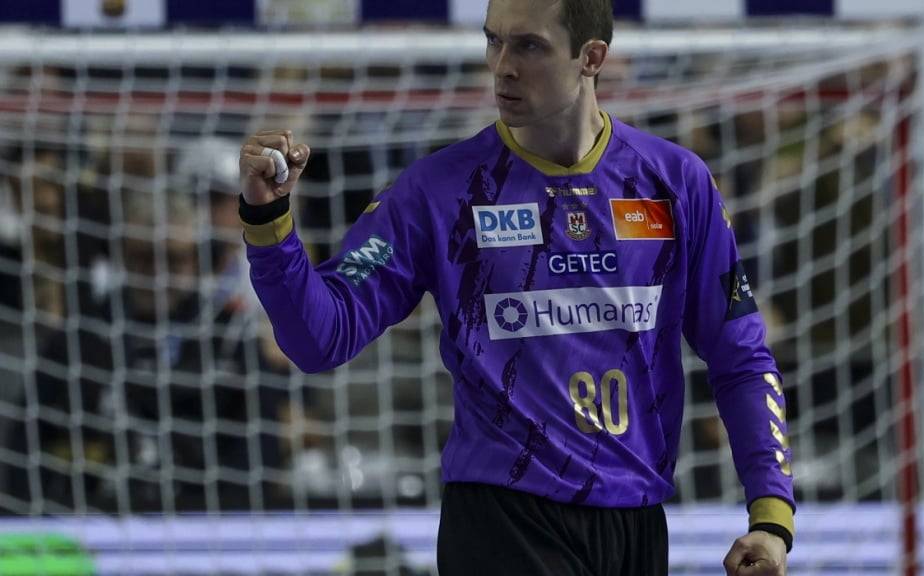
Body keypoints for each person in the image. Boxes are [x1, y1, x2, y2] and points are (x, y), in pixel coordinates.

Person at [236, 0, 794, 574]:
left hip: (636, 521)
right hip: (502, 521)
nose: (502, 65)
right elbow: (320, 338)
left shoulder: (676, 183)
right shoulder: (441, 191)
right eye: (493, 41)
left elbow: (741, 358)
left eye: (528, 45)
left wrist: (772, 515)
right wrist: (269, 223)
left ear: (591, 57)